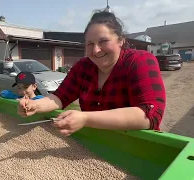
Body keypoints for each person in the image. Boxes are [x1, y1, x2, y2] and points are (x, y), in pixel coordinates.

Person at [18, 10, 166, 136]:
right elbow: (59, 97)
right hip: (94, 142)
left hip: (138, 146)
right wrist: (35, 105)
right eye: (90, 44)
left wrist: (86, 118)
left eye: (103, 41)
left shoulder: (139, 61)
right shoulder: (83, 67)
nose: (95, 50)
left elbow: (150, 115)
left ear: (121, 40)